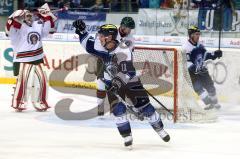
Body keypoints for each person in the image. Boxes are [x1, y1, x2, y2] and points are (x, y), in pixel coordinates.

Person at [73, 20, 170, 148]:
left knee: (144, 106)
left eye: (102, 36)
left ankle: (160, 129)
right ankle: (127, 135)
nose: (99, 38)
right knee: (118, 110)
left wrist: (117, 83)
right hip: (110, 82)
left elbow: (127, 72)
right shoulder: (98, 45)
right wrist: (81, 31)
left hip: (130, 82)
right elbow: (87, 43)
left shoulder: (123, 50)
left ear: (110, 37)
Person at [5, 4, 56, 112]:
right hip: (24, 60)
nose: (29, 17)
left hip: (37, 58)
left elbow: (47, 31)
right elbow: (9, 31)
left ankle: (40, 102)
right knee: (25, 82)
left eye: (30, 15)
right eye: (26, 16)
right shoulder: (18, 28)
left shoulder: (37, 25)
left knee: (42, 81)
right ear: (22, 18)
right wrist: (15, 18)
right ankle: (18, 103)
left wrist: (47, 17)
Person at [95, 16, 135, 116]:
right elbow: (99, 45)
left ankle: (114, 109)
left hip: (116, 63)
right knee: (101, 83)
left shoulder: (130, 39)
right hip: (103, 59)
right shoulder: (110, 31)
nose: (128, 30)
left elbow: (128, 55)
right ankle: (100, 107)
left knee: (113, 86)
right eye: (126, 28)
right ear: (121, 26)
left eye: (130, 29)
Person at [182, 26, 222, 110]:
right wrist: (196, 69)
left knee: (210, 86)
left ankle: (215, 103)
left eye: (199, 34)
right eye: (196, 34)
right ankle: (208, 103)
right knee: (198, 88)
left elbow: (205, 55)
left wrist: (214, 54)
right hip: (191, 72)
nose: (198, 36)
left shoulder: (200, 45)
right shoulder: (186, 47)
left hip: (201, 69)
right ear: (191, 35)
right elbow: (187, 63)